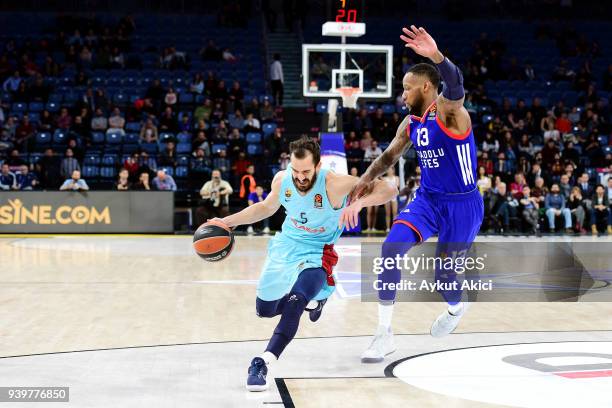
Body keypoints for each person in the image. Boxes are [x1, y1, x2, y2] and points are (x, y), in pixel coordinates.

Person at [208, 136, 397, 391]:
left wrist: (360, 202)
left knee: (296, 300)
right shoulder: (282, 180)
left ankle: (263, 361)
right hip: (285, 247)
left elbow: (389, 188)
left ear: (318, 166)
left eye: (306, 171)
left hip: (318, 253)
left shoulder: (335, 183)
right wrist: (226, 222)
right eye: (295, 171)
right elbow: (265, 207)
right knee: (264, 309)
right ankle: (316, 300)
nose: (300, 177)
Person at [350, 25, 484, 362]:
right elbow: (388, 156)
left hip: (463, 205)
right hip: (428, 200)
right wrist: (362, 181)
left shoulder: (451, 112)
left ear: (426, 86)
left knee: (444, 276)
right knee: (391, 247)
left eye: (407, 88)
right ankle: (383, 335)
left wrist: (436, 56)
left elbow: (455, 83)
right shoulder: (410, 123)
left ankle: (456, 308)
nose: (403, 94)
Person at [383, 166, 400, 232]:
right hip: (387, 197)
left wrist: (390, 189)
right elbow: (384, 188)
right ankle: (387, 228)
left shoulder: (396, 178)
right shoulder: (384, 178)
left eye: (390, 170)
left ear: (393, 170)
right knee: (387, 213)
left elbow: (397, 186)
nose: (389, 171)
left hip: (393, 196)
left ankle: (394, 227)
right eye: (388, 170)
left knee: (394, 212)